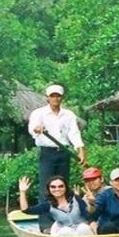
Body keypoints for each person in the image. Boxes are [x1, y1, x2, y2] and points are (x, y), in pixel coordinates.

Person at [27, 84, 86, 219]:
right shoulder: (38, 113)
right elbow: (32, 128)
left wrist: (80, 150)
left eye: (58, 96)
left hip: (64, 152)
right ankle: (46, 223)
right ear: (47, 98)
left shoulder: (69, 115)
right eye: (52, 96)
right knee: (47, 188)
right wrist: (38, 128)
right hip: (47, 153)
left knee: (63, 187)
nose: (55, 98)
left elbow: (74, 134)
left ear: (62, 98)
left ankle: (65, 218)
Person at [17, 175, 94, 237]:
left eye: (60, 186)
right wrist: (22, 192)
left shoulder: (76, 199)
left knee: (82, 228)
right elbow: (26, 210)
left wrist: (92, 202)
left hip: (83, 232)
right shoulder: (48, 205)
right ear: (49, 189)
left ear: (65, 188)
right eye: (53, 187)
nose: (57, 189)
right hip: (66, 233)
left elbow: (88, 215)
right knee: (65, 231)